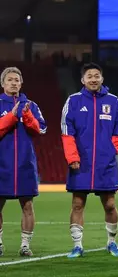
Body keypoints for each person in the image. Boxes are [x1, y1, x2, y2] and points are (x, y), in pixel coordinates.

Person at [61, 63, 118, 258]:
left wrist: (110, 150)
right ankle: (77, 245)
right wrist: (72, 157)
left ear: (102, 78)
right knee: (78, 204)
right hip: (80, 162)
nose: (93, 79)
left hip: (104, 164)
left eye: (96, 75)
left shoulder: (114, 102)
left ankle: (112, 242)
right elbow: (66, 132)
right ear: (82, 80)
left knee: (110, 205)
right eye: (89, 76)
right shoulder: (73, 101)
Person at [0, 67, 46, 257]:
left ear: (21, 83)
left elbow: (40, 130)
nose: (14, 83)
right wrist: (12, 116)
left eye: (17, 80)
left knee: (27, 205)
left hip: (25, 163)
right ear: (3, 84)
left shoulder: (32, 105)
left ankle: (25, 245)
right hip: (2, 163)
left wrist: (26, 115)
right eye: (10, 80)